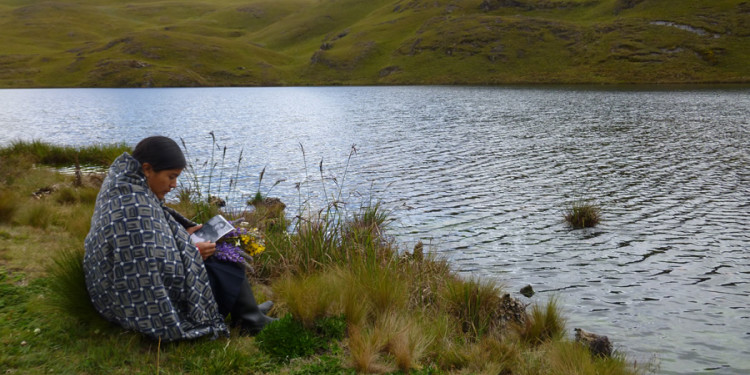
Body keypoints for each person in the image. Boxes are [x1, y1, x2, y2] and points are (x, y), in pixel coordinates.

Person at [83, 136, 275, 341]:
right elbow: (147, 265)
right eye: (171, 176)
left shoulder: (125, 186)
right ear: (147, 169)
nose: (174, 185)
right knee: (225, 256)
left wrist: (185, 235)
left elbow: (152, 241)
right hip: (135, 302)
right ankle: (250, 320)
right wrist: (194, 252)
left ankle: (247, 310)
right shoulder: (134, 205)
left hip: (115, 291)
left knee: (223, 244)